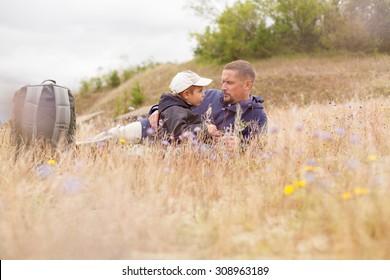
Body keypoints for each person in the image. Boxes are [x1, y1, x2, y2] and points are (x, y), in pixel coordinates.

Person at [78, 60, 267, 146]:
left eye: (229, 83)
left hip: (171, 148)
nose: (223, 86)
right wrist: (156, 110)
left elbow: (257, 149)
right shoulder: (209, 94)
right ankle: (72, 149)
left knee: (121, 154)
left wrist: (238, 146)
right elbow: (176, 101)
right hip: (153, 128)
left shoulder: (256, 115)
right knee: (112, 136)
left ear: (247, 84)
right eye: (223, 81)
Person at [157, 70, 219, 143]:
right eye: (200, 91)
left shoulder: (181, 107)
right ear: (186, 94)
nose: (203, 94)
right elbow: (178, 133)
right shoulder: (175, 109)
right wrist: (204, 129)